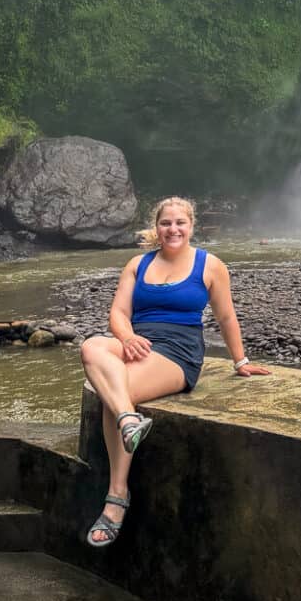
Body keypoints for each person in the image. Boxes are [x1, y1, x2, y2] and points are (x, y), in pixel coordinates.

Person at [80, 196, 270, 546]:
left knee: (117, 391)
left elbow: (226, 316)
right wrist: (127, 336)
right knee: (91, 347)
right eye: (166, 223)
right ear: (157, 227)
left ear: (191, 226)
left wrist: (240, 361)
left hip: (178, 352)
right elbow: (118, 314)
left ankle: (117, 497)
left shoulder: (210, 266)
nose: (173, 229)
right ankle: (128, 421)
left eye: (180, 223)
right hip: (137, 342)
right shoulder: (138, 264)